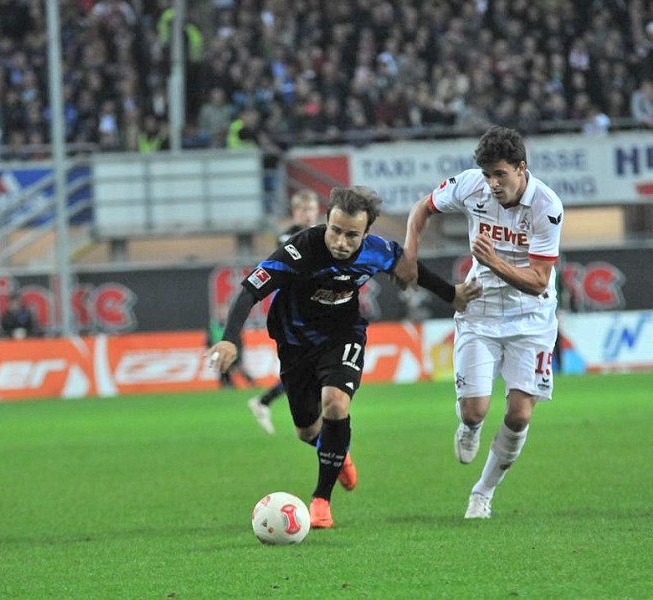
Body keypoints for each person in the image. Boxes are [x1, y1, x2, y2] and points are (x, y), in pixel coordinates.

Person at [208, 186, 480, 529]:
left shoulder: (377, 251)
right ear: (326, 222)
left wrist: (451, 293)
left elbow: (412, 269)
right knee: (306, 431)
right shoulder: (300, 250)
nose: (341, 241)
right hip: (295, 344)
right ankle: (335, 450)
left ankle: (321, 500)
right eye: (335, 231)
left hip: (343, 335)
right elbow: (250, 289)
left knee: (336, 403)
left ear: (365, 233)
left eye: (352, 235)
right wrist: (231, 339)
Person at [403, 126, 564, 519]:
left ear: (521, 169)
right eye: (488, 174)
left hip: (532, 317)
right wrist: (410, 255)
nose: (492, 184)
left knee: (519, 413)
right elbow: (421, 208)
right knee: (474, 411)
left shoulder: (547, 206)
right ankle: (470, 427)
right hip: (480, 309)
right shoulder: (470, 185)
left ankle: (482, 493)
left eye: (500, 175)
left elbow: (539, 281)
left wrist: (493, 261)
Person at [248, 188, 321, 434]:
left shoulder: (323, 235)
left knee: (308, 370)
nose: (308, 214)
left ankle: (264, 401)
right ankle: (265, 402)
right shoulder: (287, 239)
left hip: (313, 313)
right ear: (294, 212)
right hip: (292, 315)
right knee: (305, 370)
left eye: (311, 209)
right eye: (303, 209)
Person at [207, 304, 256, 390]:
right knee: (223, 369)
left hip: (232, 351)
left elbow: (239, 340)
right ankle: (228, 385)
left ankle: (251, 382)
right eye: (220, 313)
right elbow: (209, 340)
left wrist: (239, 352)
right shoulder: (213, 326)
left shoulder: (231, 324)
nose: (221, 315)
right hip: (219, 352)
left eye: (223, 312)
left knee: (238, 368)